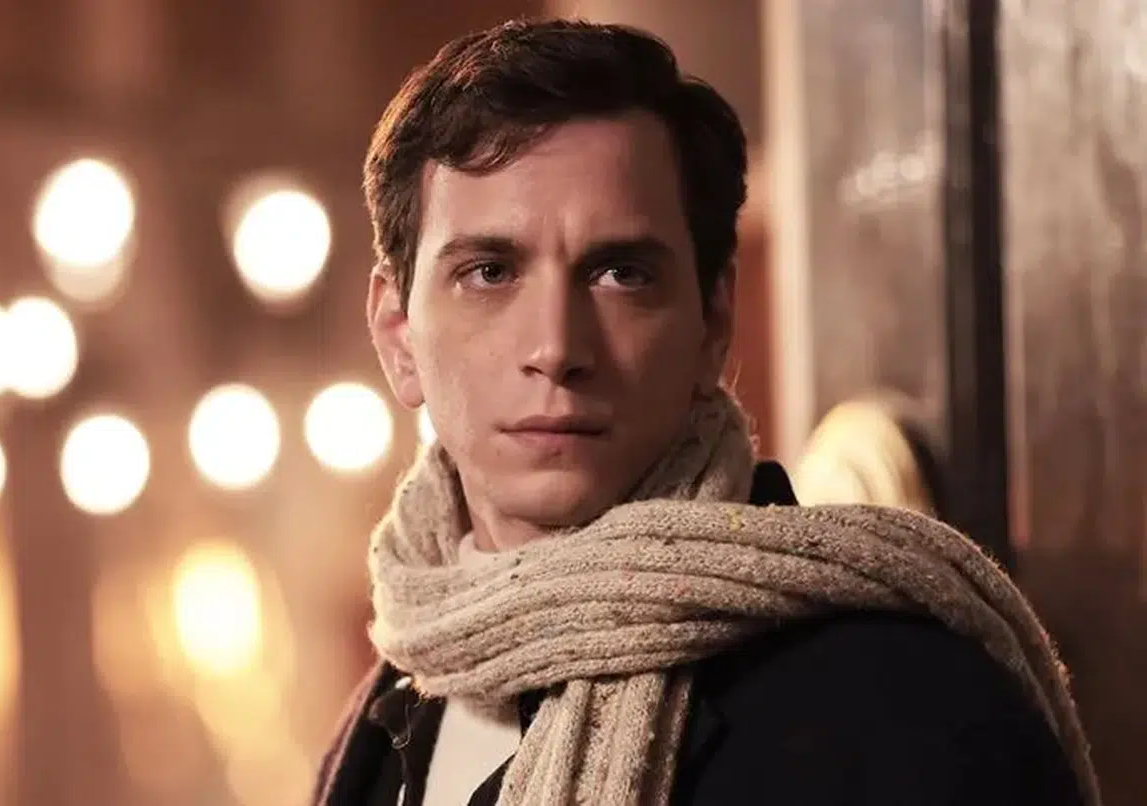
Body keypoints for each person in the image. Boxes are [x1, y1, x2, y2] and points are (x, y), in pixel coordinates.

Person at [313, 18, 1098, 806]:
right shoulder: (383, 721)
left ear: (712, 323)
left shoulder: (906, 710)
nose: (555, 346)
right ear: (398, 335)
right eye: (490, 272)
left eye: (621, 274)